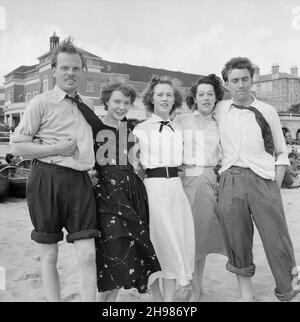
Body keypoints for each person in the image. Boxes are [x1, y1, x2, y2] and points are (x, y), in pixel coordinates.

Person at [10, 37, 99, 302]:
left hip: (81, 182)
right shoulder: (41, 103)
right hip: (46, 179)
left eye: (75, 68)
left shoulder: (89, 105)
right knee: (49, 254)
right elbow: (17, 145)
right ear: (54, 71)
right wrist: (56, 149)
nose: (70, 73)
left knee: (87, 254)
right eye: (64, 68)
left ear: (81, 71)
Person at [214, 56, 299, 302]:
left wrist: (275, 185)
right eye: (234, 80)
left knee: (278, 240)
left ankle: (289, 291)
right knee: (237, 240)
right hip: (230, 180)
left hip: (263, 181)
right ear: (226, 83)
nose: (240, 85)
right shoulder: (219, 110)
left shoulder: (267, 111)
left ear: (252, 80)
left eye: (244, 79)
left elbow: (282, 153)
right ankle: (246, 295)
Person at [91, 82, 161, 302]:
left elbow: (135, 160)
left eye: (126, 103)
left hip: (132, 192)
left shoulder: (131, 129)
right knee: (112, 252)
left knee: (128, 253)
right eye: (117, 102)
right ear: (107, 102)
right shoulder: (94, 127)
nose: (121, 107)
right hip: (107, 195)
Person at [133, 75, 195, 302]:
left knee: (172, 244)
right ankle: (156, 298)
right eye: (160, 94)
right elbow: (130, 161)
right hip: (152, 190)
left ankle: (168, 302)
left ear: (174, 99)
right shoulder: (140, 129)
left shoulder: (178, 129)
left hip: (175, 189)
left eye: (169, 94)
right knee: (155, 244)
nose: (165, 98)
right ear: (151, 98)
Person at [173, 74, 226, 301]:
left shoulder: (219, 124)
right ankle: (191, 287)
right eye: (201, 94)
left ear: (216, 98)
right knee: (187, 238)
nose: (206, 98)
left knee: (202, 240)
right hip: (186, 182)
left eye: (210, 94)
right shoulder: (181, 120)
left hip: (209, 182)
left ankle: (197, 287)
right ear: (195, 97)